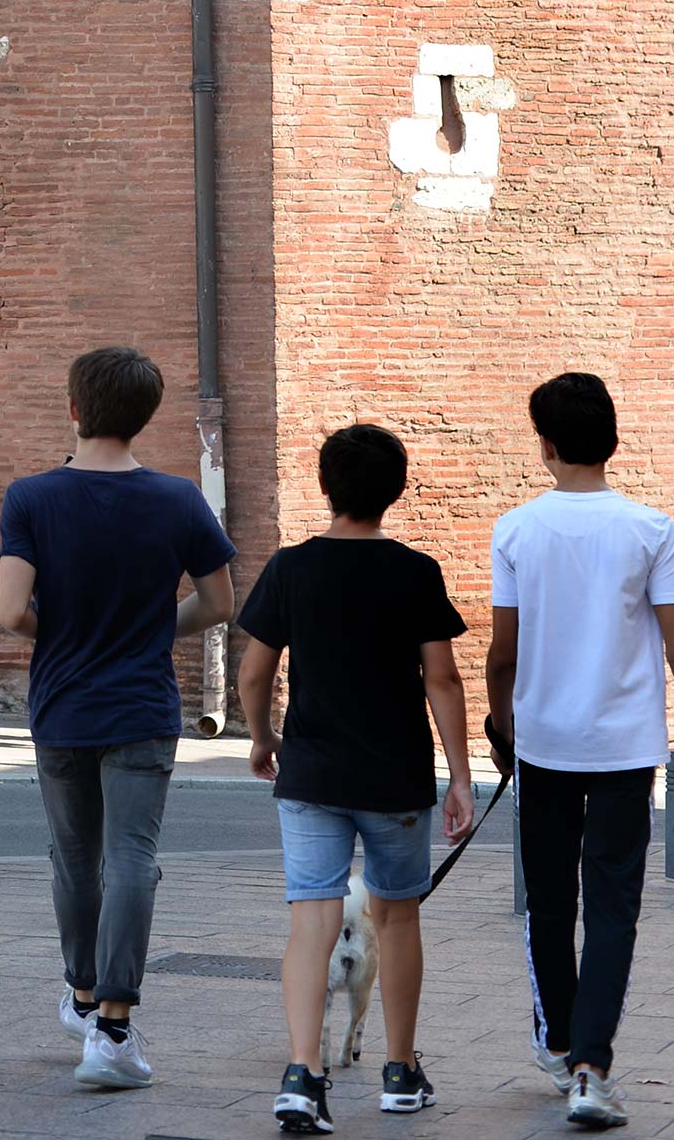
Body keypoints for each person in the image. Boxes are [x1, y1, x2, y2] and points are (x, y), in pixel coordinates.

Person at [0, 345, 236, 1095]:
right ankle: (114, 1028)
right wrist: (151, 631)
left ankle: (80, 996)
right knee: (133, 857)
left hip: (61, 704)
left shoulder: (30, 498)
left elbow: (11, 612)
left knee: (74, 857)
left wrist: (68, 635)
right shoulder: (179, 500)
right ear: (146, 417)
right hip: (141, 705)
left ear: (75, 409)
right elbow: (221, 603)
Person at [237, 424, 474, 1134]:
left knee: (312, 918)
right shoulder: (415, 571)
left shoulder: (290, 568)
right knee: (397, 918)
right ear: (396, 491)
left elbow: (253, 672)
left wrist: (262, 737)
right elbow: (442, 678)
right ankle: (399, 1073)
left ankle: (302, 1076)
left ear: (324, 486)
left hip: (311, 771)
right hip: (395, 777)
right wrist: (461, 776)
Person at [487, 373, 674, 1133]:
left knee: (549, 900)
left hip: (543, 744)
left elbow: (503, 653)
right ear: (613, 440)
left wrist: (502, 729)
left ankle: (561, 1045)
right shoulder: (652, 529)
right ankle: (592, 1068)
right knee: (613, 905)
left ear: (546, 444)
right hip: (626, 747)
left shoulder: (516, 530)